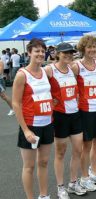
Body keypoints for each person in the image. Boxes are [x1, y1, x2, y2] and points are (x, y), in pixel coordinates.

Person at [12, 38, 54, 199]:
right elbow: (16, 104)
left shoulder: (46, 71)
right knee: (29, 166)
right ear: (29, 53)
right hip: (30, 126)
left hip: (47, 124)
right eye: (36, 51)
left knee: (43, 162)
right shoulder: (22, 75)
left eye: (43, 51)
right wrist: (25, 130)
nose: (40, 54)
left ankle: (44, 195)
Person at [44, 42, 86, 198]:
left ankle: (73, 183)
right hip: (60, 116)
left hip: (75, 114)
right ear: (57, 54)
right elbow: (37, 84)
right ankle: (60, 187)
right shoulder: (49, 70)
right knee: (60, 153)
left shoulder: (73, 68)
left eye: (70, 52)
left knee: (78, 150)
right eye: (65, 53)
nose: (68, 55)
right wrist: (49, 100)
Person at [71, 35, 96, 191]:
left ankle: (93, 172)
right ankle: (84, 177)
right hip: (85, 111)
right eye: (89, 47)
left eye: (94, 47)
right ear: (83, 49)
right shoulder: (76, 66)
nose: (92, 50)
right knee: (86, 146)